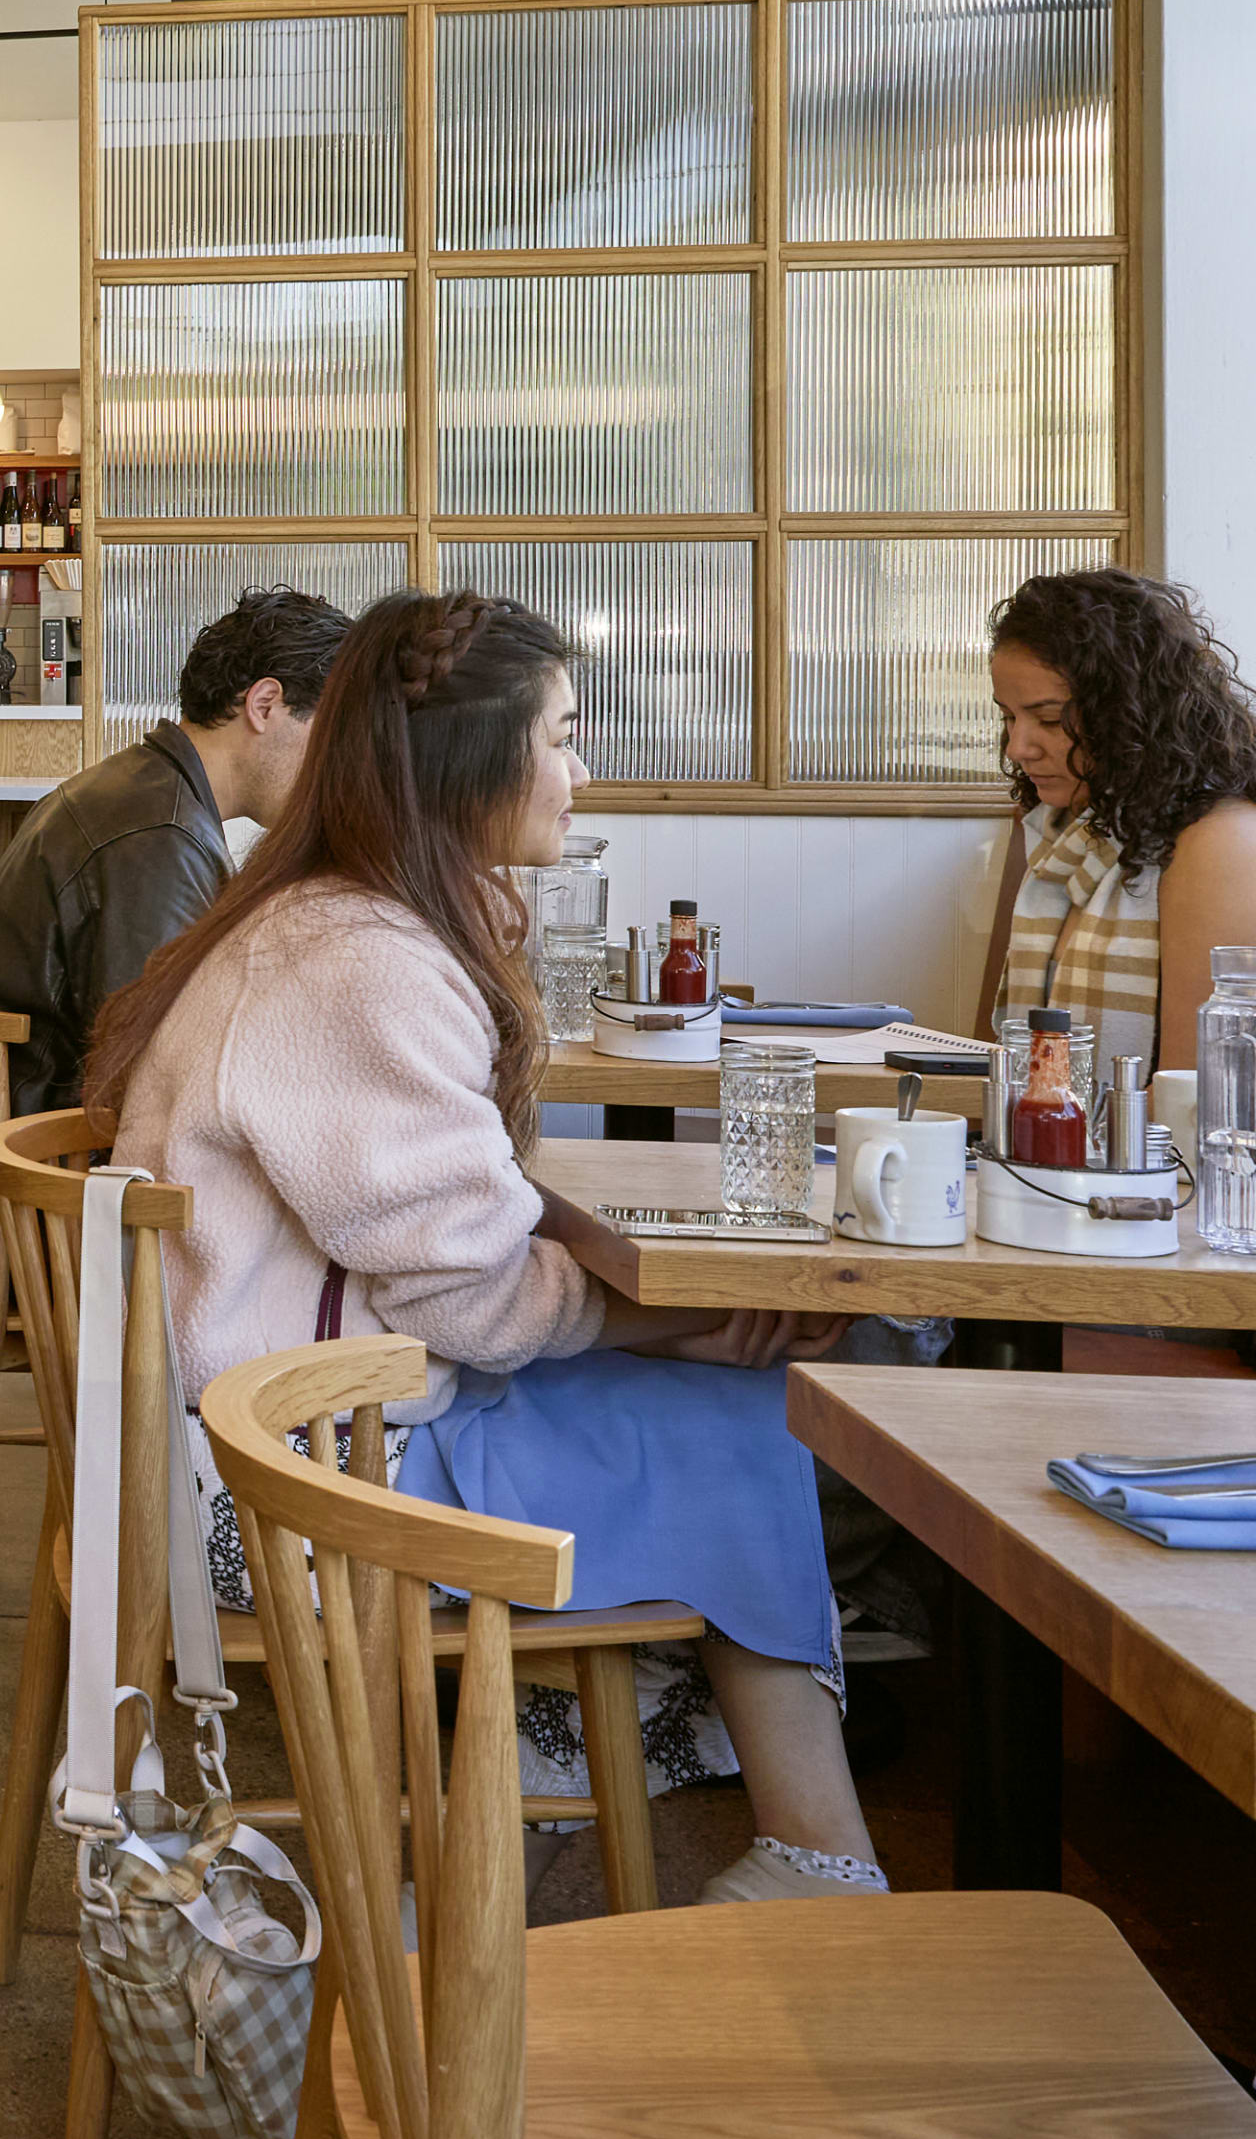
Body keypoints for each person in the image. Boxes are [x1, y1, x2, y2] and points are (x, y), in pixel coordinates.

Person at [90, 588, 883, 1906]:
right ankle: (806, 1848)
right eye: (563, 737)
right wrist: (677, 1320)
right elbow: (481, 1308)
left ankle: (691, 1816)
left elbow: (456, 1269)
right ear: (467, 766)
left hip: (233, 1435)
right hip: (272, 1490)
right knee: (742, 1412)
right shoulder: (365, 960)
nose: (581, 772)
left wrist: (670, 1323)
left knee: (716, 1392)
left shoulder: (328, 916)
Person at [0, 585, 351, 1110]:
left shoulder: (148, 788)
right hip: (59, 1152)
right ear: (265, 704)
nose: (335, 763)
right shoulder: (159, 838)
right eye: (331, 733)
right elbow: (148, 1067)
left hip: (43, 1125)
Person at [982, 566, 1256, 1072]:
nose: (1018, 747)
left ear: (1133, 711)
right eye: (1008, 717)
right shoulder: (1079, 833)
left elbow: (1193, 1099)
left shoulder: (1220, 842)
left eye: (1048, 719)